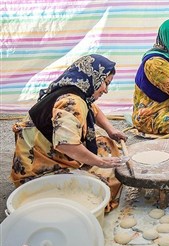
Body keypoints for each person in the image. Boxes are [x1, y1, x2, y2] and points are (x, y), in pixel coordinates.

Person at [10, 54, 127, 211]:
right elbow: (66, 145)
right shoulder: (72, 102)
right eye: (105, 83)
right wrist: (100, 162)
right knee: (101, 186)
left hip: (48, 149)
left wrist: (111, 130)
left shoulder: (74, 88)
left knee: (106, 143)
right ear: (93, 77)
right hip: (37, 168)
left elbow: (94, 110)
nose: (106, 90)